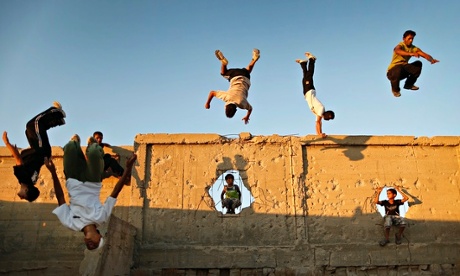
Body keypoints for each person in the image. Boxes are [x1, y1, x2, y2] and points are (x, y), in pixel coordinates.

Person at [46, 134, 137, 250]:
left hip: (73, 179)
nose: (90, 245)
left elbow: (60, 198)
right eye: (95, 244)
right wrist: (128, 169)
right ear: (99, 236)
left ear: (84, 240)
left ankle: (75, 143)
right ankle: (92, 145)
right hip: (92, 180)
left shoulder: (71, 224)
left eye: (89, 246)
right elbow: (115, 192)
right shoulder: (101, 217)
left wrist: (53, 172)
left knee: (70, 148)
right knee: (94, 151)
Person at [2, 102, 66, 202]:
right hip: (40, 149)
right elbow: (18, 159)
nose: (21, 197)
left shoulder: (32, 181)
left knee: (30, 131)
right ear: (27, 190)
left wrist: (19, 153)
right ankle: (58, 112)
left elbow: (26, 162)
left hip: (42, 152)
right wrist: (7, 143)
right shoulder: (23, 178)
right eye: (24, 196)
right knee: (33, 125)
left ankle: (57, 120)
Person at [205, 48, 260, 124]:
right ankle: (224, 63)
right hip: (235, 76)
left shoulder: (243, 104)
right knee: (224, 73)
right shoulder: (227, 97)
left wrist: (247, 117)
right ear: (225, 107)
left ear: (236, 110)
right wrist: (208, 103)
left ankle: (254, 59)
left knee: (248, 70)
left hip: (246, 77)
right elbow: (212, 93)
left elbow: (250, 109)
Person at [387, 30, 439, 97]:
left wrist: (431, 59)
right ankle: (395, 90)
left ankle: (409, 84)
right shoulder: (400, 45)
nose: (411, 40)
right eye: (409, 39)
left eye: (412, 39)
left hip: (403, 71)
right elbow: (397, 50)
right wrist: (410, 53)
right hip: (392, 73)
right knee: (399, 67)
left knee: (418, 64)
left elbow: (424, 54)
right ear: (404, 39)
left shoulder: (413, 48)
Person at [296, 52, 335, 138]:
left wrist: (319, 134)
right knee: (309, 75)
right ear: (327, 114)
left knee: (305, 78)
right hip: (310, 90)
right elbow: (318, 123)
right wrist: (319, 134)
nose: (327, 119)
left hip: (307, 93)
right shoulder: (321, 109)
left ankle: (303, 63)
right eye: (329, 117)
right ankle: (312, 60)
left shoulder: (319, 113)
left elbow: (318, 123)